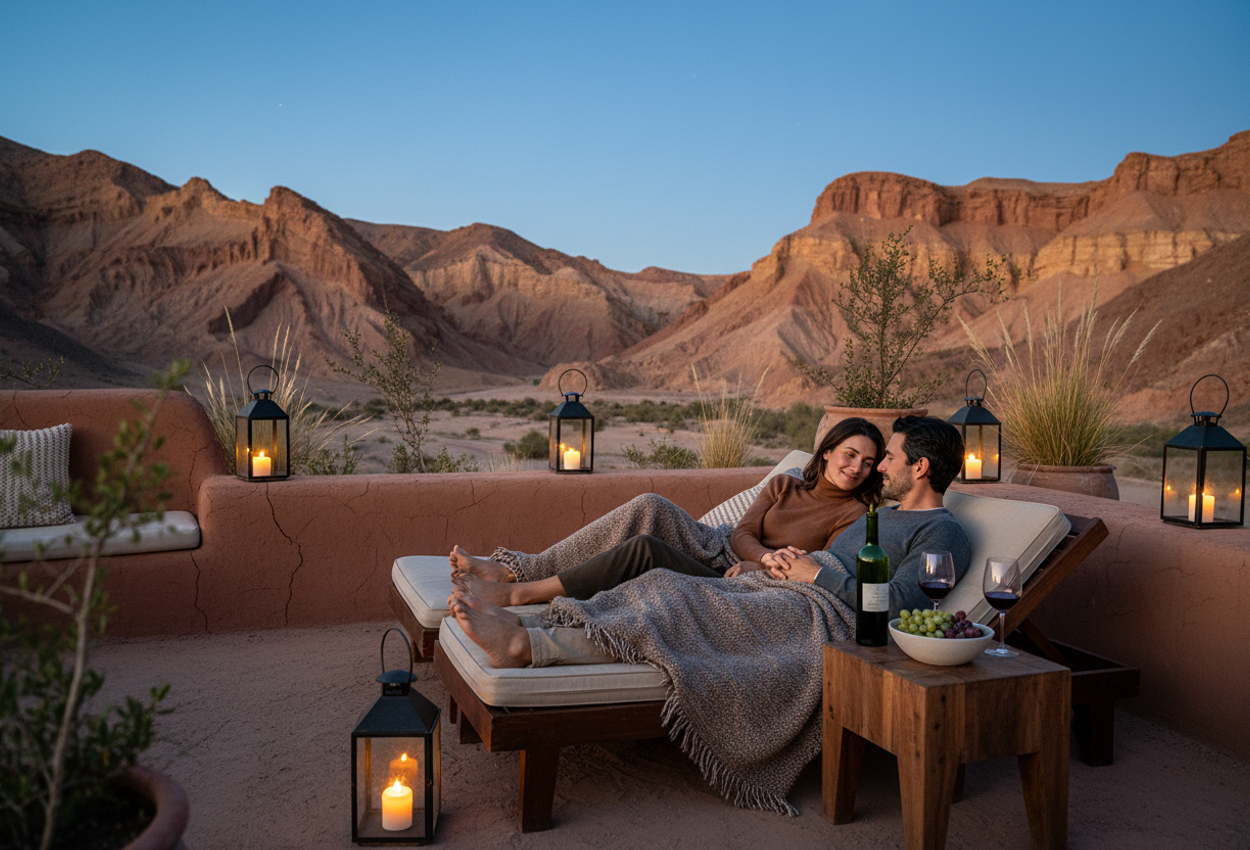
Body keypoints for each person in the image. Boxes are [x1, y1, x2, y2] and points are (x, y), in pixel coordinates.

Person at [449, 415, 971, 669]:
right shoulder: (883, 515)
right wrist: (784, 564)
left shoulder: (940, 530)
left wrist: (812, 573)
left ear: (920, 467)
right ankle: (528, 616)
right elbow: (769, 540)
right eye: (862, 456)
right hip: (781, 578)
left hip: (809, 600)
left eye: (887, 458)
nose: (876, 468)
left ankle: (528, 644)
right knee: (659, 565)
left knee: (670, 591)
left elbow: (900, 603)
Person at [449, 418, 884, 609]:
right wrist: (758, 555)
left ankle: (523, 593)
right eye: (849, 454)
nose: (856, 468)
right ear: (827, 452)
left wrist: (758, 569)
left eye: (867, 463)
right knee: (649, 504)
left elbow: (818, 568)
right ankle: (518, 569)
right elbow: (742, 532)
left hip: (741, 581)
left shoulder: (853, 514)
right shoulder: (786, 482)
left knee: (644, 548)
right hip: (723, 548)